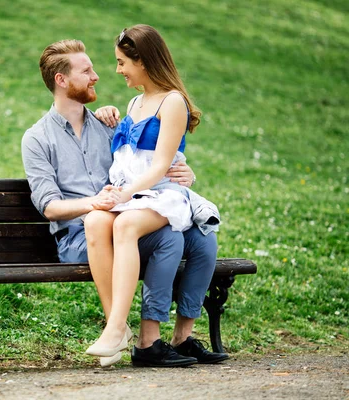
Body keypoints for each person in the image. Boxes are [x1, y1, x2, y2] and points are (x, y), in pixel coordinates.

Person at [21, 37, 227, 368]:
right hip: (80, 235)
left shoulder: (108, 125)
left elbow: (141, 162)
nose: (98, 75)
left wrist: (180, 168)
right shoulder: (37, 138)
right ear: (61, 80)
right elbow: (49, 208)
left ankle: (169, 338)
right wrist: (96, 202)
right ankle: (127, 331)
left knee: (197, 238)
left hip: (123, 214)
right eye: (86, 70)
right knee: (123, 226)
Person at [82, 24, 227, 367]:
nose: (117, 71)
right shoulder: (135, 101)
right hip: (135, 195)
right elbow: (128, 159)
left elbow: (161, 164)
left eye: (121, 62)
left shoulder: (172, 101)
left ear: (143, 61)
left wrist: (123, 194)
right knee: (105, 222)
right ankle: (119, 328)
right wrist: (115, 188)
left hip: (160, 195)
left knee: (127, 227)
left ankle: (118, 327)